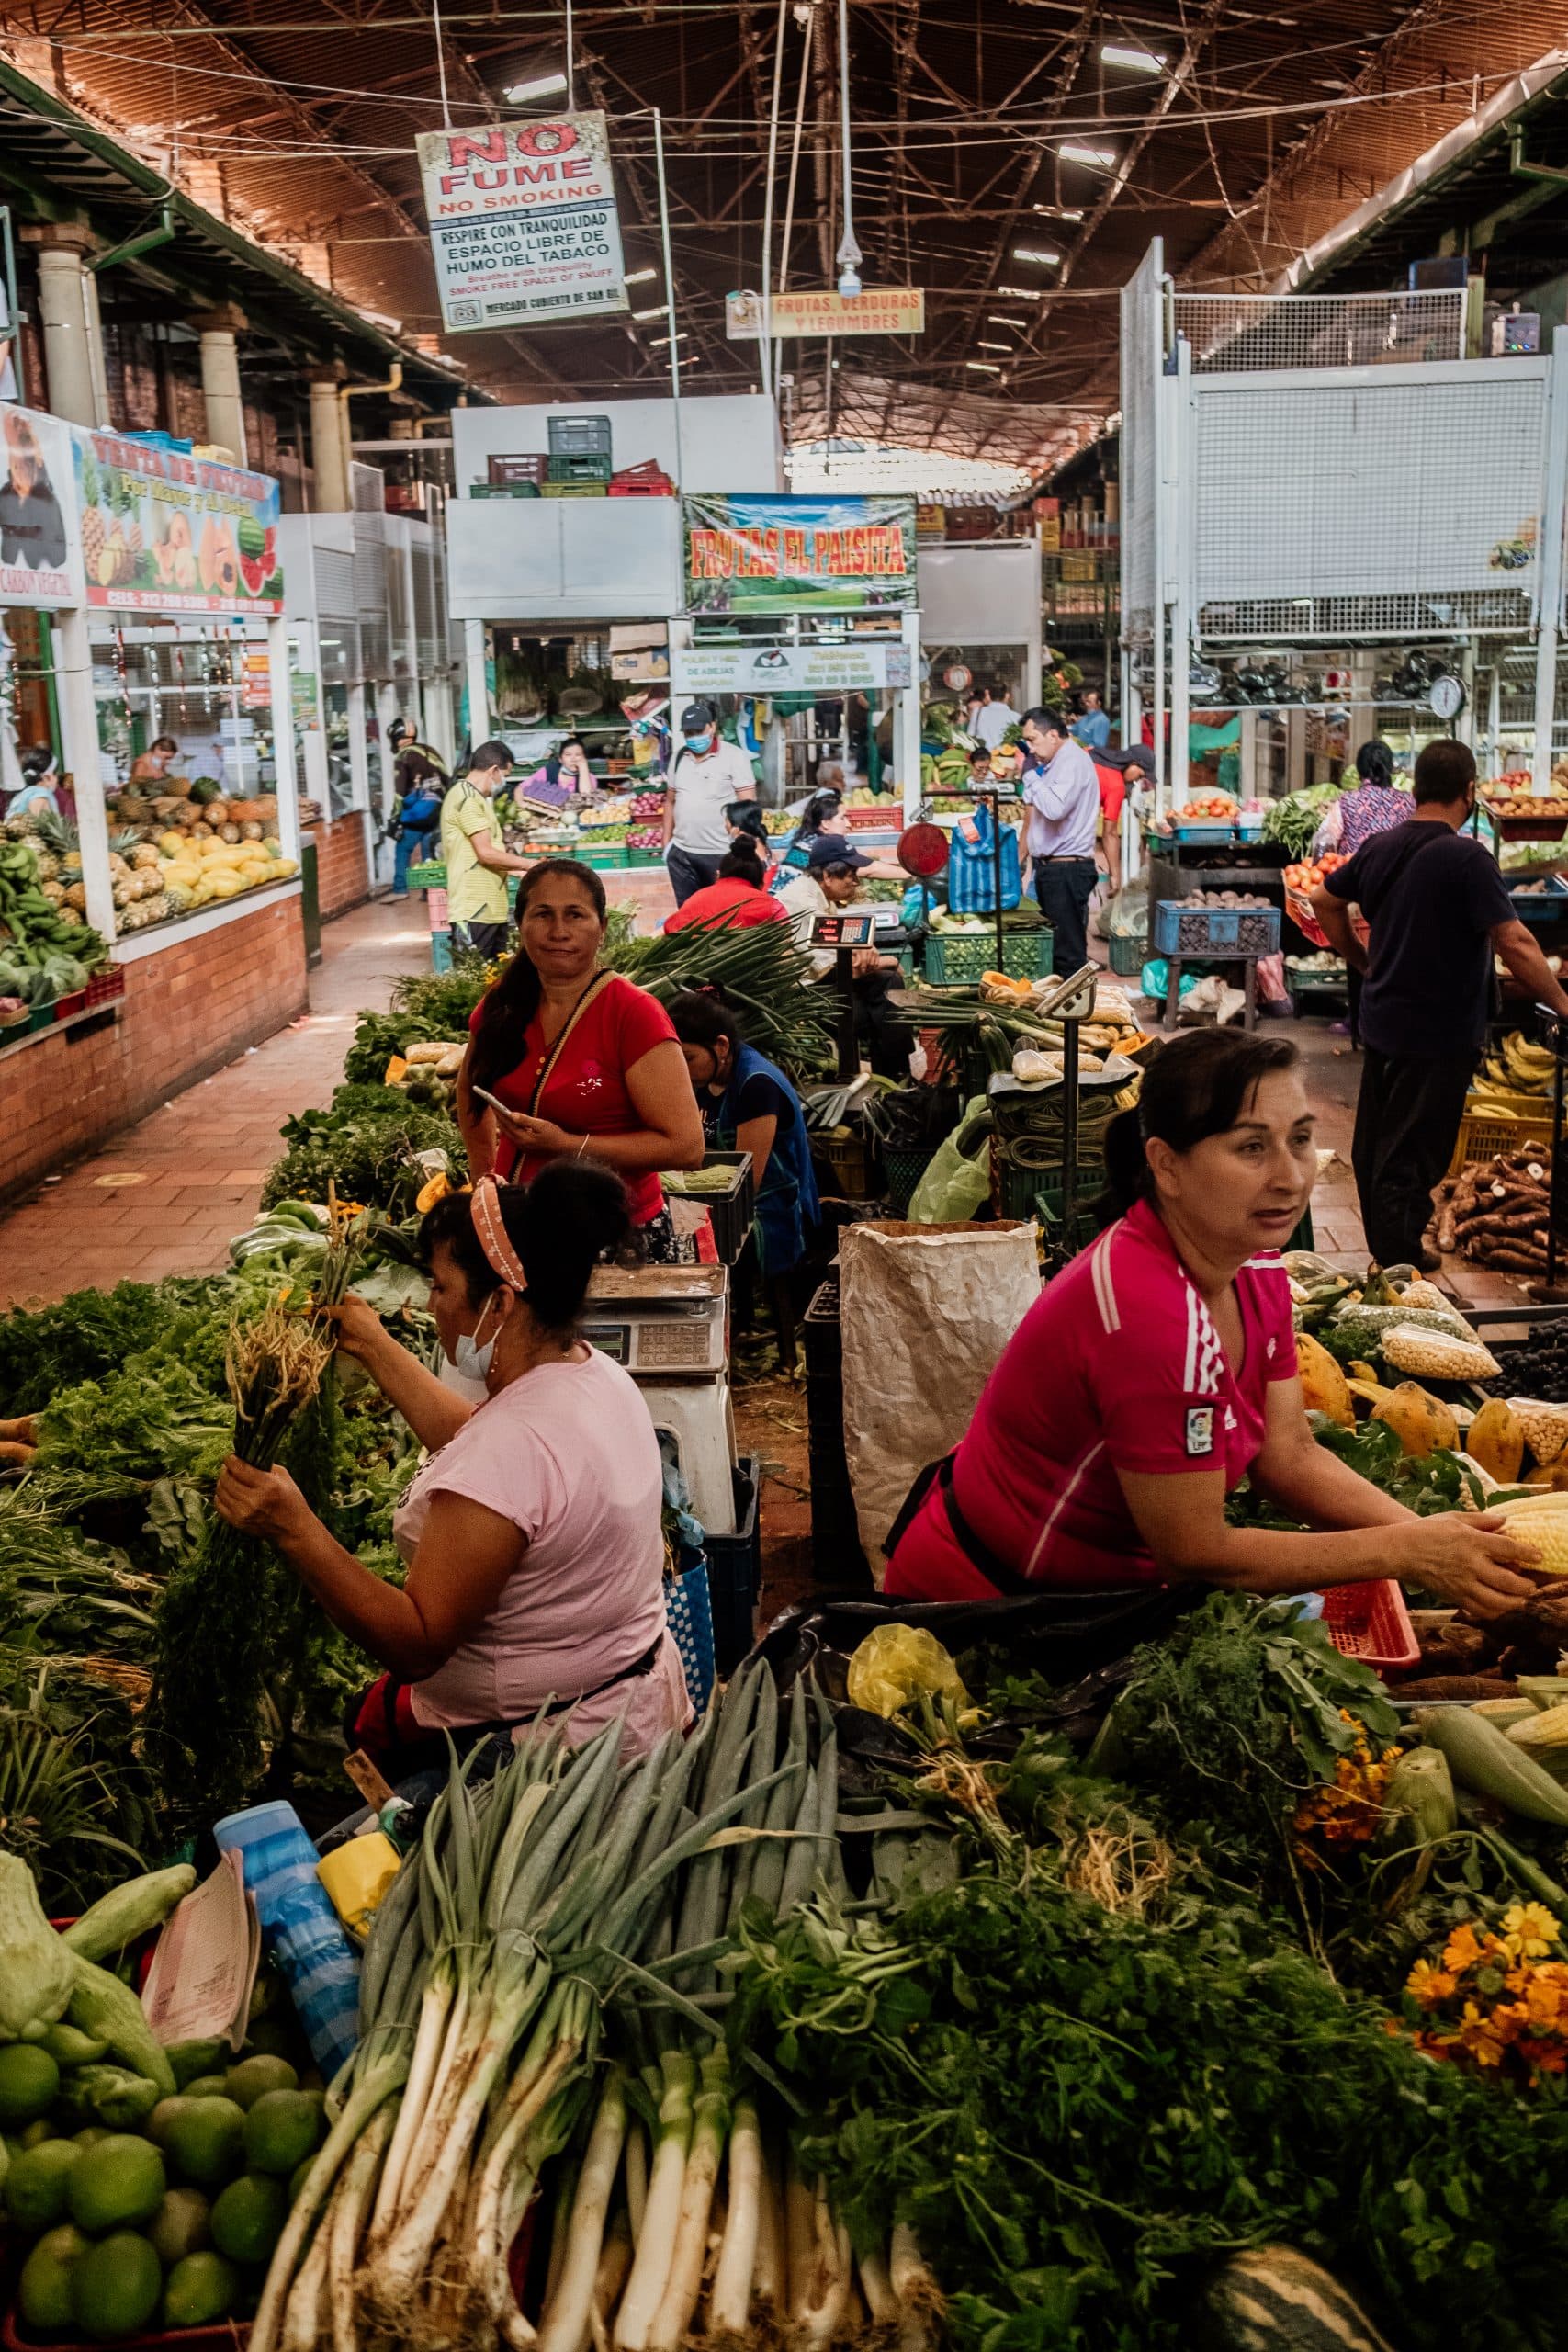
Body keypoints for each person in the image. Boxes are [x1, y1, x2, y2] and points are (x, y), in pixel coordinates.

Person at [883, 1029, 1542, 1617]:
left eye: (1300, 1140)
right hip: (993, 1611)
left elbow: (1288, 1457)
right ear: (1166, 1165)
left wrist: (1445, 1543)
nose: (1290, 1177)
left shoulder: (1252, 1263)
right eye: (1251, 1147)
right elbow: (1197, 1553)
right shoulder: (1148, 1315)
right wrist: (1407, 1552)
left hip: (1101, 1596)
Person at [213, 1164, 691, 1778]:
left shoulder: (510, 1451)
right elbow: (491, 1450)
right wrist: (375, 1345)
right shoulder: (591, 1374)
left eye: (440, 1286)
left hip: (544, 1756)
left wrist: (293, 1527)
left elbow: (417, 1646)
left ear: (501, 1302)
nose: (430, 1304)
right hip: (627, 1703)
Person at [1312, 739, 1568, 1272]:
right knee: (1415, 1149)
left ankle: (1394, 1246)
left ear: (1416, 789)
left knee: (1378, 1142)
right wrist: (1563, 1004)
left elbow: (1323, 901)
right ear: (1469, 792)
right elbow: (1514, 941)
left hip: (1384, 1021)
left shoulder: (1380, 847)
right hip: (1439, 1030)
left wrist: (1361, 960)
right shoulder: (1467, 857)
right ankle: (1398, 1262)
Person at [458, 857, 705, 1261]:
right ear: (520, 924)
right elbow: (470, 1092)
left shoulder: (632, 1014)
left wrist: (567, 1145)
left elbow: (686, 1148)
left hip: (614, 1236)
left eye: (575, 915)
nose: (559, 931)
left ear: (602, 927)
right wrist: (484, 1182)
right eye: (543, 914)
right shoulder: (502, 1005)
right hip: (521, 1227)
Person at [670, 989, 820, 1367]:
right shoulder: (707, 1081)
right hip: (731, 1198)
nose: (683, 1069)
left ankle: (724, 1336)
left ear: (721, 1046)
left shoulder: (756, 1084)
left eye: (688, 1058)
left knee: (687, 1238)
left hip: (775, 1206)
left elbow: (746, 1178)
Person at [776, 835, 908, 1080]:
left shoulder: (821, 896)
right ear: (828, 876)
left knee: (888, 984)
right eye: (851, 876)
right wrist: (889, 961)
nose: (856, 882)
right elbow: (836, 968)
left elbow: (846, 954)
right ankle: (893, 1074)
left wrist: (867, 950)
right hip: (803, 995)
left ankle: (894, 1074)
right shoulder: (803, 904)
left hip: (823, 980)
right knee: (880, 1004)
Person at [1020, 707, 1100, 977]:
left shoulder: (1072, 762)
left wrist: (1030, 776)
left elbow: (1054, 809)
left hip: (1066, 871)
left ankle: (1076, 1003)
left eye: (1033, 740)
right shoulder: (1055, 764)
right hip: (1054, 869)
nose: (1030, 749)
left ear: (1053, 735)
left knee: (1068, 955)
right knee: (1058, 950)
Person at [440, 740, 533, 963]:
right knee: (473, 977)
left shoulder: (476, 799)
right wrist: (530, 864)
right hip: (474, 909)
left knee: (495, 979)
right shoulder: (466, 799)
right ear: (493, 771)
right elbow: (485, 853)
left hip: (491, 909)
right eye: (505, 775)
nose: (504, 782)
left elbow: (485, 855)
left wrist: (519, 872)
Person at [662, 701, 758, 905]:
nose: (694, 737)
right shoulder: (678, 758)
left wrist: (745, 850)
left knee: (723, 912)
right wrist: (666, 845)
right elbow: (670, 801)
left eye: (699, 731)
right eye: (689, 733)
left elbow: (748, 808)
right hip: (682, 854)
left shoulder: (735, 757)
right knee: (688, 913)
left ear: (712, 727)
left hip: (721, 853)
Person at [663, 838, 789, 934]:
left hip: (690, 959)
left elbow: (669, 929)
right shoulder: (770, 906)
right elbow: (786, 941)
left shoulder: (694, 900)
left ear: (718, 875)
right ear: (761, 884)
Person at [0, 409, 66, 575]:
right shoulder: (6, 494)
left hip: (44, 576)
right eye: (15, 467)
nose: (18, 473)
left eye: (22, 466)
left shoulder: (47, 501)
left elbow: (57, 558)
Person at [389, 726, 450, 899]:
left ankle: (400, 889)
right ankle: (429, 891)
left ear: (398, 739)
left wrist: (395, 816)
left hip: (414, 815)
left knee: (403, 849)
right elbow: (446, 778)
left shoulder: (403, 756)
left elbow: (399, 792)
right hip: (436, 810)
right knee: (428, 851)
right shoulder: (431, 752)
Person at [779, 786, 844, 878]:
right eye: (842, 818)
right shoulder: (819, 846)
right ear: (825, 823)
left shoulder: (811, 839)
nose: (848, 824)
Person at [969, 684, 1020, 752]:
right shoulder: (1016, 716)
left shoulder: (978, 712)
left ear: (989, 696)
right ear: (1006, 696)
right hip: (1006, 756)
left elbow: (970, 736)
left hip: (982, 755)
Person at [1072, 688, 1112, 754]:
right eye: (1085, 701)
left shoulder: (1102, 721)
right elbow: (1074, 729)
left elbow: (1099, 747)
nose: (1086, 704)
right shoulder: (1085, 717)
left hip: (1090, 756)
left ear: (1099, 703)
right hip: (1081, 753)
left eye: (1089, 702)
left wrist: (1080, 745)